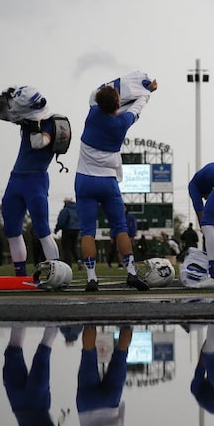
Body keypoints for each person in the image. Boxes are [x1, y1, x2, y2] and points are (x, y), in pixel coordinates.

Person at [74, 74, 157, 292]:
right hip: (108, 181)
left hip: (84, 180)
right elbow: (140, 104)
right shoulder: (122, 123)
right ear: (118, 104)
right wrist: (147, 90)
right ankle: (131, 273)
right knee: (120, 228)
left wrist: (115, 87)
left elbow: (96, 92)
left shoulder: (92, 112)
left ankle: (92, 278)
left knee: (87, 231)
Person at [0, 85, 62, 276]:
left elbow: (39, 143)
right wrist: (2, 98)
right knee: (12, 228)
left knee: (42, 228)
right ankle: (20, 273)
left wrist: (33, 122)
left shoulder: (51, 122)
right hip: (16, 178)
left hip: (36, 178)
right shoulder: (27, 120)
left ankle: (56, 270)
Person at [54, 197, 81, 267]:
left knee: (66, 248)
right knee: (74, 247)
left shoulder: (65, 210)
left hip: (67, 230)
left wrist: (56, 229)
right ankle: (78, 260)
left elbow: (61, 221)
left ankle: (68, 264)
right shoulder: (77, 210)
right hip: (76, 230)